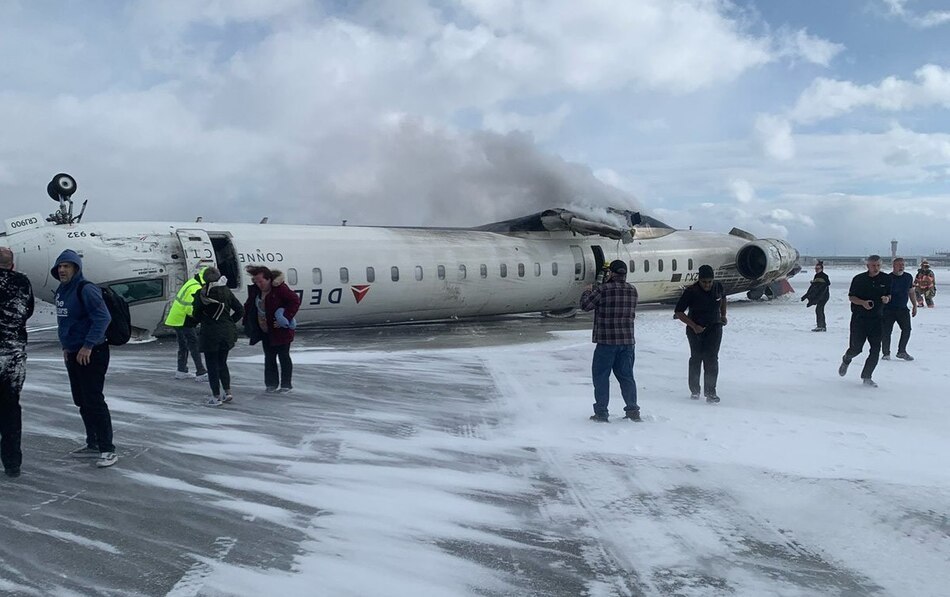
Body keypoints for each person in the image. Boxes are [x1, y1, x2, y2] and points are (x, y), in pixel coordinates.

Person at [51, 250, 117, 467]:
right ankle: (93, 442)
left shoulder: (86, 289)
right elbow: (66, 322)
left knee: (94, 399)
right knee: (81, 400)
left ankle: (108, 449)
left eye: (67, 266)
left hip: (91, 352)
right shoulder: (62, 290)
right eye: (60, 266)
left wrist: (88, 345)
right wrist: (66, 347)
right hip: (73, 352)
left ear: (76, 268)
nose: (62, 270)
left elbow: (103, 318)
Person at [579, 259, 640, 422]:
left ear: (612, 273)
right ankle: (633, 410)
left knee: (601, 377)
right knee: (627, 377)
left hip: (606, 342)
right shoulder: (633, 290)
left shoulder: (603, 290)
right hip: (627, 342)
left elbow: (585, 306)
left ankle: (601, 412)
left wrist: (587, 291)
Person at [0, 247, 34, 478]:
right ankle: (12, 463)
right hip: (13, 354)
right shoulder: (22, 282)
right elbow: (28, 310)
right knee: (11, 408)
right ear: (12, 264)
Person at [674, 264, 727, 403]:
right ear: (699, 280)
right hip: (695, 329)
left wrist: (723, 315)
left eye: (709, 282)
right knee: (696, 358)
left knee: (712, 359)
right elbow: (678, 312)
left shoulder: (718, 287)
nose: (707, 285)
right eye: (704, 282)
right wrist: (694, 326)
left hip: (714, 327)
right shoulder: (691, 291)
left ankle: (711, 392)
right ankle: (695, 390)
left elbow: (723, 299)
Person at [243, 266, 301, 393]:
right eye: (256, 281)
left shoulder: (280, 289)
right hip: (265, 331)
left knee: (283, 356)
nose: (258, 284)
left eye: (261, 281)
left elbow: (295, 300)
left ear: (268, 279)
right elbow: (249, 306)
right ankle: (271, 384)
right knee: (269, 357)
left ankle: (286, 385)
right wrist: (247, 321)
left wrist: (285, 317)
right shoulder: (255, 291)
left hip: (281, 331)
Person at [838, 255, 892, 387]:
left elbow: (889, 294)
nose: (876, 268)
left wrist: (887, 299)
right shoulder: (859, 279)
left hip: (878, 319)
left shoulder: (886, 278)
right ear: (867, 266)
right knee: (856, 348)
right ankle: (847, 358)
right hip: (859, 319)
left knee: (875, 349)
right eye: (873, 265)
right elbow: (851, 297)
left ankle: (867, 376)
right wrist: (862, 303)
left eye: (878, 265)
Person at [195, 276, 244, 406]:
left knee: (212, 365)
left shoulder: (203, 294)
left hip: (210, 333)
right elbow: (240, 310)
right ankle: (227, 392)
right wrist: (229, 322)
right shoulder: (227, 291)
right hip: (226, 333)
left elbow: (196, 314)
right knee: (222, 362)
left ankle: (216, 396)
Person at [164, 267, 217, 382]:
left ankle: (181, 370)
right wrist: (201, 317)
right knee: (193, 344)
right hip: (184, 320)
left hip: (177, 318)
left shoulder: (192, 282)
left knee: (183, 345)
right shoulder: (196, 288)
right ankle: (201, 371)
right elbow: (190, 308)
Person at [881, 257, 917, 361]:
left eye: (903, 265)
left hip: (902, 309)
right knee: (886, 332)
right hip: (888, 310)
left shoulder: (908, 277)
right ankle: (886, 353)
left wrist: (914, 305)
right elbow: (883, 294)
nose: (901, 267)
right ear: (894, 266)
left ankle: (902, 351)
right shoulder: (888, 278)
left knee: (907, 329)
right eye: (899, 265)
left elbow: (911, 292)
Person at [801, 260, 830, 331]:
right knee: (819, 310)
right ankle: (822, 326)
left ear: (822, 269)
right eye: (815, 269)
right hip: (820, 295)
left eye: (818, 269)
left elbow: (823, 287)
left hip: (823, 296)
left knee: (819, 310)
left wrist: (818, 298)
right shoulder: (816, 276)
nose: (816, 270)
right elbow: (814, 287)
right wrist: (806, 295)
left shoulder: (824, 276)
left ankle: (821, 326)